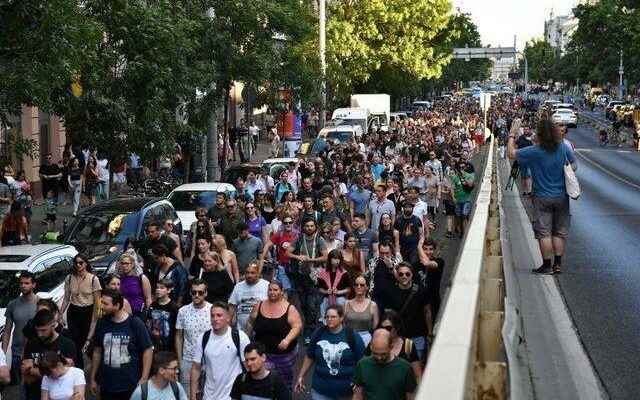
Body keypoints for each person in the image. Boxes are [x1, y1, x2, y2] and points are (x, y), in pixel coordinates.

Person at [508, 117, 577, 275]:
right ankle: (557, 264)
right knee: (559, 232)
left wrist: (512, 134)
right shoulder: (562, 147)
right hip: (561, 196)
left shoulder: (534, 151)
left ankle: (546, 265)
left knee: (544, 233)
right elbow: (574, 164)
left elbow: (511, 154)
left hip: (541, 196)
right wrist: (566, 171)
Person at [89, 289, 153, 400]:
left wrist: (144, 377)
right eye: (101, 302)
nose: (102, 306)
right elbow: (97, 351)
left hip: (130, 385)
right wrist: (93, 378)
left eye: (105, 304)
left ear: (117, 305)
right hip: (107, 385)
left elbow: (147, 350)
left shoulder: (135, 323)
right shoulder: (102, 323)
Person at [294, 305, 365, 400]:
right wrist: (301, 376)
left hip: (345, 391)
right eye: (327, 317)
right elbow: (309, 356)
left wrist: (359, 383)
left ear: (341, 318)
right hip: (320, 389)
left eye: (333, 317)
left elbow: (362, 361)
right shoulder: (318, 333)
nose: (329, 319)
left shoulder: (352, 336)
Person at [246, 281, 302, 390]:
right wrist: (246, 338)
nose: (272, 292)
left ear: (281, 291)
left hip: (283, 355)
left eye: (275, 290)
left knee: (284, 384)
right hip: (263, 354)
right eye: (270, 290)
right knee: (263, 383)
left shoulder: (289, 308)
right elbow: (250, 322)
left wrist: (287, 340)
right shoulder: (259, 305)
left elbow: (297, 326)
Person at [190, 302, 250, 400]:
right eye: (212, 316)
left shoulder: (240, 337)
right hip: (209, 396)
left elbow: (248, 366)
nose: (215, 319)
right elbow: (196, 368)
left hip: (232, 396)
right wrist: (192, 397)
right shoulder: (203, 338)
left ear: (228, 318)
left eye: (219, 315)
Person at [286, 218, 328, 339]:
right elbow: (288, 253)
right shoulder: (298, 239)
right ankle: (311, 327)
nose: (309, 228)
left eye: (311, 226)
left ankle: (310, 332)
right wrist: (298, 257)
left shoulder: (320, 240)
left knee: (311, 305)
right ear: (303, 228)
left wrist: (311, 260)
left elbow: (325, 257)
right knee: (303, 304)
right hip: (300, 277)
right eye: (307, 226)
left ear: (315, 227)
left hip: (314, 278)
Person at [22, 310, 77, 400]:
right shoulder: (32, 343)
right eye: (37, 330)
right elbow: (27, 378)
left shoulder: (67, 344)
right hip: (34, 395)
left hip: (58, 396)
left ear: (53, 326)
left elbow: (64, 375)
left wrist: (32, 370)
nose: (40, 334)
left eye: (43, 330)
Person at [60, 254, 101, 369]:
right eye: (76, 263)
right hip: (73, 311)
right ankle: (79, 369)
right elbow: (66, 298)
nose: (78, 265)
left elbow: (98, 304)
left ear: (86, 264)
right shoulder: (69, 278)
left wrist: (95, 320)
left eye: (81, 262)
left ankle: (97, 369)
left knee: (88, 343)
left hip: (87, 312)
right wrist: (60, 314)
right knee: (74, 343)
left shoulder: (93, 279)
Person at [353, 329, 418, 400]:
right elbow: (358, 394)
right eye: (375, 353)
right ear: (371, 347)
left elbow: (411, 396)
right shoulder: (362, 365)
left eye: (383, 354)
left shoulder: (404, 368)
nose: (379, 358)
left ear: (391, 347)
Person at [175, 279, 212, 392]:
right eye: (193, 292)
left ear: (205, 293)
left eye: (200, 292)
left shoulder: (212, 310)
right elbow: (178, 336)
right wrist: (180, 361)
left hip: (208, 360)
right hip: (188, 359)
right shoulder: (183, 311)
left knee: (207, 393)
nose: (196, 295)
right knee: (186, 393)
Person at [388, 262, 432, 360]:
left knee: (416, 365)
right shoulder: (392, 292)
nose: (404, 276)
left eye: (407, 274)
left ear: (412, 275)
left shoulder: (421, 291)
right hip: (399, 337)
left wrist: (429, 332)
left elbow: (427, 311)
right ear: (397, 276)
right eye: (401, 274)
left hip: (417, 335)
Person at [2, 271, 38, 388]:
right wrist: (2, 354)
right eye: (21, 283)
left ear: (34, 285)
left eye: (27, 283)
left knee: (37, 384)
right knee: (21, 386)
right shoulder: (13, 304)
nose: (23, 285)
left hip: (36, 351)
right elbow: (7, 331)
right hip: (17, 352)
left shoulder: (40, 303)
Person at [229, 262, 270, 332]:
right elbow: (232, 307)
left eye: (252, 273)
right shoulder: (238, 286)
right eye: (247, 273)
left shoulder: (266, 285)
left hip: (262, 329)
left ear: (258, 273)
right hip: (241, 330)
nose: (249, 275)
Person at [344, 275, 379, 347]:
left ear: (367, 287)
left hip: (366, 339)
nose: (358, 287)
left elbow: (375, 326)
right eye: (356, 285)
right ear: (353, 287)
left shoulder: (373, 305)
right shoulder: (346, 303)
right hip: (348, 338)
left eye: (362, 285)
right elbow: (342, 323)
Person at [416, 237, 445, 321]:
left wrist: (419, 247)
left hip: (433, 302)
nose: (428, 252)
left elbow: (426, 263)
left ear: (434, 250)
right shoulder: (415, 265)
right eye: (425, 249)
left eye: (431, 249)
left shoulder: (440, 262)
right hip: (419, 302)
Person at [147, 279, 179, 352]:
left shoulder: (174, 307)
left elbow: (177, 328)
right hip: (154, 343)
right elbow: (148, 322)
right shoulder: (153, 305)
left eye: (161, 288)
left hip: (168, 346)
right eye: (157, 287)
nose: (158, 290)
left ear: (168, 290)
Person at [317, 250, 352, 319]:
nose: (337, 261)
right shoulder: (322, 273)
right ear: (330, 259)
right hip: (327, 298)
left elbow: (349, 288)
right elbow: (319, 288)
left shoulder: (344, 273)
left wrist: (339, 292)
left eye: (338, 259)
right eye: (335, 259)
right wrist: (326, 291)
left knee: (340, 301)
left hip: (340, 298)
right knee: (324, 304)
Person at [118, 253, 153, 318]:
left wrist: (148, 315)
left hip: (139, 313)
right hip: (124, 314)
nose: (124, 266)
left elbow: (148, 298)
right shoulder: (119, 279)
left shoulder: (141, 278)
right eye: (122, 263)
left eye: (127, 263)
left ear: (133, 264)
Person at [451, 160, 475, 238]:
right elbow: (452, 188)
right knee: (458, 216)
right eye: (460, 167)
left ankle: (465, 233)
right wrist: (453, 197)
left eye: (463, 167)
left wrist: (464, 177)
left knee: (464, 215)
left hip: (466, 199)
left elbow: (471, 184)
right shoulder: (455, 177)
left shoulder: (469, 175)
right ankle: (459, 228)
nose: (461, 169)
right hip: (458, 200)